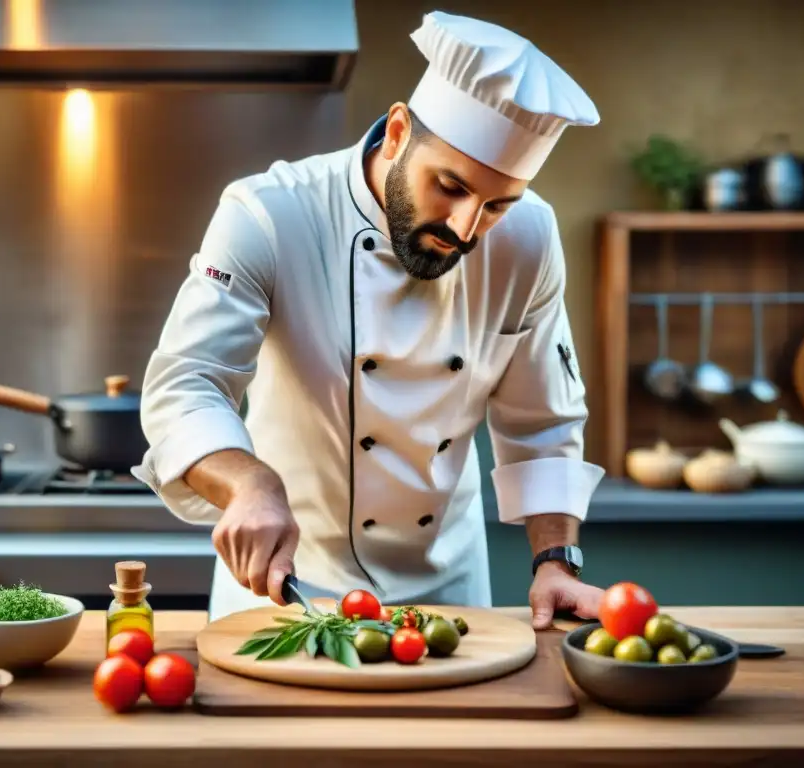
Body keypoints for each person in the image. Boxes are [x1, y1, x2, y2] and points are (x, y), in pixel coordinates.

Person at [132, 10, 606, 626]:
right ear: (398, 131)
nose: (466, 230)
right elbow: (184, 384)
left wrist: (556, 560)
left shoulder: (529, 239)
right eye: (452, 187)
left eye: (495, 206)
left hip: (449, 600)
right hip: (286, 588)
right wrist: (247, 484)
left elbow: (543, 425)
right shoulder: (270, 215)